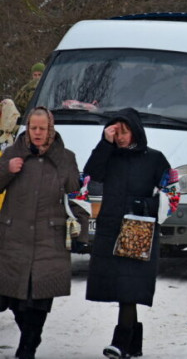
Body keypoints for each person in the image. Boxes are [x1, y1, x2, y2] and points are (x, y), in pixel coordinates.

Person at [84, 108, 171, 358]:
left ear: (135, 130)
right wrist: (104, 142)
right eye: (116, 132)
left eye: (124, 131)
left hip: (138, 228)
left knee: (128, 289)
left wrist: (147, 207)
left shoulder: (155, 159)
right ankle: (133, 344)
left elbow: (173, 193)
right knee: (121, 287)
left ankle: (121, 342)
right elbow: (91, 174)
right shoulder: (108, 156)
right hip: (111, 228)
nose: (120, 137)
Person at [0, 107, 80, 359]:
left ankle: (27, 348)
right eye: (32, 128)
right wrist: (6, 169)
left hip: (50, 238)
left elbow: (76, 198)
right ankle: (31, 336)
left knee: (39, 300)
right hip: (14, 237)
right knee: (13, 298)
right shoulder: (12, 152)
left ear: (50, 129)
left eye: (41, 128)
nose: (37, 133)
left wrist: (81, 232)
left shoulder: (66, 158)